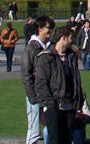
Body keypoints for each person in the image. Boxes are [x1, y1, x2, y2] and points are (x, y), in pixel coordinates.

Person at [35, 26, 87, 144]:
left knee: (66, 139)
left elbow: (75, 79)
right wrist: (50, 104)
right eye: (70, 38)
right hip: (54, 106)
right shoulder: (46, 57)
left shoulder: (71, 56)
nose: (72, 40)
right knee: (55, 139)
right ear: (63, 38)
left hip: (70, 106)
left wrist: (78, 100)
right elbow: (41, 83)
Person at [22, 15, 55, 144]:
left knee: (51, 128)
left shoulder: (49, 46)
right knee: (34, 131)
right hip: (36, 95)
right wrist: (33, 97)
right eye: (48, 27)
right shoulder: (31, 48)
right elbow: (26, 75)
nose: (51, 30)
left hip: (50, 94)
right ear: (40, 29)